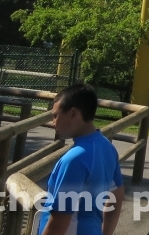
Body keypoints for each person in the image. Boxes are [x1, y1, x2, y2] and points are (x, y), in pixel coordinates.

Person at [37, 83, 124, 235]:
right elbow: (117, 195)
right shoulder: (107, 148)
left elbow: (59, 222)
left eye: (56, 115)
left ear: (73, 113)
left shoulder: (74, 160)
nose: (53, 122)